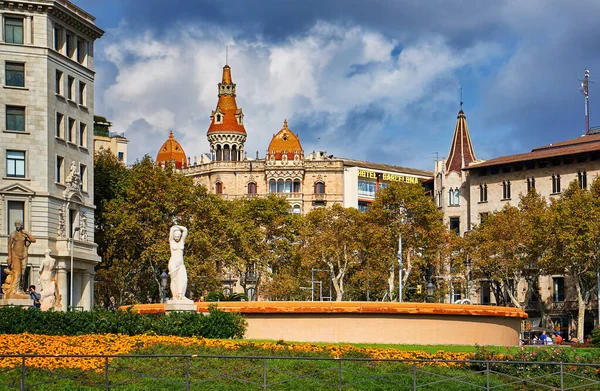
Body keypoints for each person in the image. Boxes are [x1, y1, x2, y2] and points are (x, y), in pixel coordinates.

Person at [2, 220, 36, 298]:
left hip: (24, 255)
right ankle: (14, 290)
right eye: (16, 224)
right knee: (17, 273)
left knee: (23, 274)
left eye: (19, 224)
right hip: (15, 255)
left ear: (21, 225)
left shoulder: (24, 234)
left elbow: (33, 240)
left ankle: (20, 289)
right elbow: (9, 245)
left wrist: (26, 233)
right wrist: (9, 256)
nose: (17, 226)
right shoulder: (13, 234)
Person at [168, 225, 192, 302]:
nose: (177, 237)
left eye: (178, 236)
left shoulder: (182, 241)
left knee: (184, 279)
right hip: (173, 263)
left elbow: (185, 230)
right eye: (175, 236)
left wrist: (178, 227)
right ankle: (174, 296)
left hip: (181, 264)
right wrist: (175, 228)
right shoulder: (171, 242)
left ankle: (181, 294)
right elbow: (171, 229)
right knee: (174, 280)